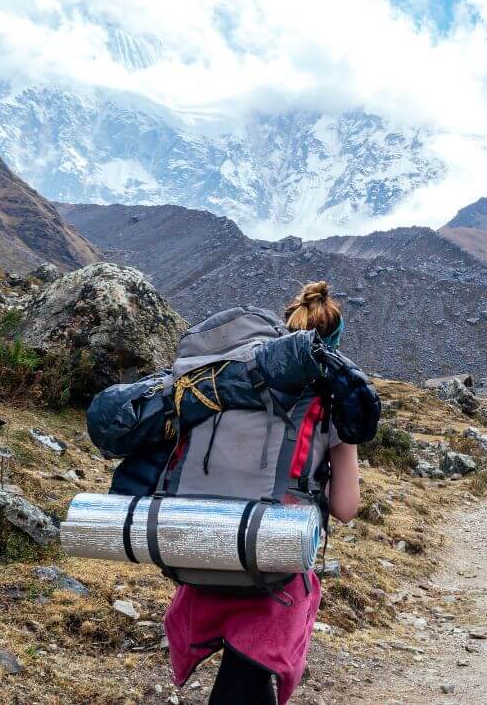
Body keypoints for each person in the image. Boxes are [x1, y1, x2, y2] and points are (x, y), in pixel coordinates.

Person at [164, 281, 361, 705]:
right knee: (245, 679)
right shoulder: (327, 404)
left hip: (201, 546)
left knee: (245, 682)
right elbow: (346, 508)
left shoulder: (225, 385)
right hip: (274, 565)